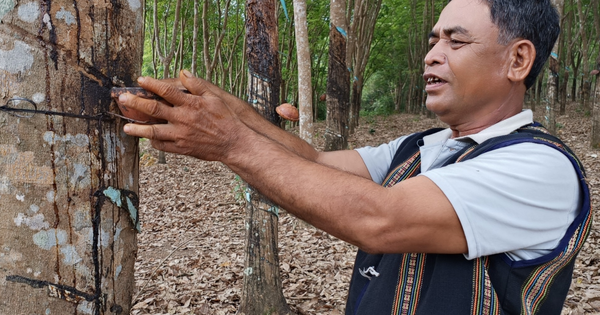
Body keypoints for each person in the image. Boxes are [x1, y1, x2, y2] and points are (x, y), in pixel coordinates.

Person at [117, 0, 592, 313]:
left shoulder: (539, 167)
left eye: (456, 40)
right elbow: (315, 164)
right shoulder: (421, 147)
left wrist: (228, 142)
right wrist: (216, 108)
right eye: (433, 40)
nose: (431, 55)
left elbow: (380, 220)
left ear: (518, 60)